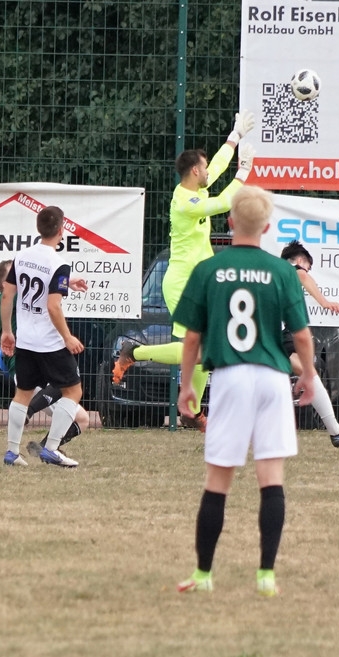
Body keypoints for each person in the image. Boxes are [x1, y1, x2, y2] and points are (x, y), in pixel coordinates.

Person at [172, 185, 315, 597]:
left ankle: (203, 575)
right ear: (266, 227)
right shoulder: (283, 271)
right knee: (271, 479)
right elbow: (301, 335)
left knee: (218, 480)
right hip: (272, 378)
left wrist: (186, 386)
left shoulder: (208, 269)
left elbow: (192, 337)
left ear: (230, 221)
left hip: (230, 377)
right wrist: (308, 375)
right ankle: (266, 575)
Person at [111, 112, 257, 432]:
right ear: (194, 171)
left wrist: (234, 136)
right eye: (204, 168)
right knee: (197, 348)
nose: (208, 172)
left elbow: (217, 166)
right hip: (181, 283)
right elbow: (223, 203)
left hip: (198, 283)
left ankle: (191, 411)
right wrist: (244, 172)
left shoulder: (196, 187)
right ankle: (134, 352)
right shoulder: (185, 202)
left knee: (206, 349)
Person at [0, 206, 88, 468]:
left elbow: (7, 294)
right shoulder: (58, 263)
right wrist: (68, 337)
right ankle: (51, 448)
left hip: (26, 340)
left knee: (22, 394)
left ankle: (12, 452)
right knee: (73, 390)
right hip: (49, 342)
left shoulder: (22, 256)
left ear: (39, 228)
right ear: (61, 230)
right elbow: (53, 306)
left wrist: (7, 330)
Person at [0, 260, 90, 459]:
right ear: (6, 284)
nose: (22, 277)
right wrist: (66, 280)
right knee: (67, 384)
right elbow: (43, 290)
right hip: (31, 364)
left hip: (24, 367)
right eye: (16, 276)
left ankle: (45, 448)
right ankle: (31, 415)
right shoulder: (12, 298)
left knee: (82, 419)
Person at [279, 241, 339, 448]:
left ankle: (336, 432)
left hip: (265, 333)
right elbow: (302, 275)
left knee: (305, 371)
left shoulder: (272, 274)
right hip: (274, 331)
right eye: (308, 266)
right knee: (308, 372)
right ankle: (336, 433)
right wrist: (324, 302)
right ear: (300, 260)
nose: (307, 271)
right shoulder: (292, 270)